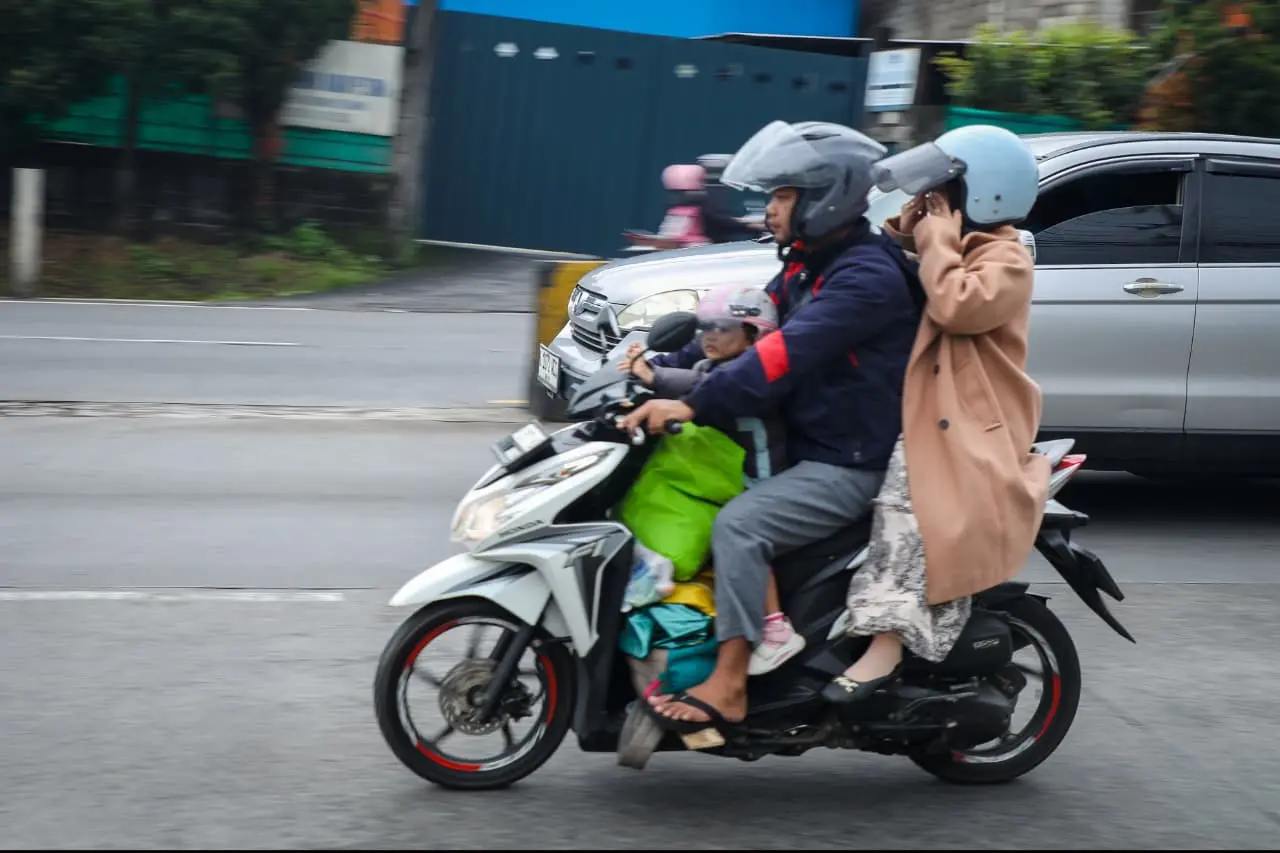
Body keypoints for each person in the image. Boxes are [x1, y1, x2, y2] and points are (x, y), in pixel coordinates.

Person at [618, 120, 924, 732]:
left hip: (847, 459)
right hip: (804, 443)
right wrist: (656, 370)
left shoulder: (864, 279)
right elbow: (742, 336)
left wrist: (694, 404)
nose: (772, 209)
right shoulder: (805, 268)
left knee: (738, 525)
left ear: (824, 198)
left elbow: (779, 357)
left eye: (783, 197)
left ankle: (729, 683)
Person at [820, 124, 1053, 705]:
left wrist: (939, 235)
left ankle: (887, 645)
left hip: (969, 426)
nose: (933, 206)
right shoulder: (944, 241)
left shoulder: (1007, 260)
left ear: (982, 194)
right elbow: (894, 243)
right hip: (922, 410)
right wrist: (919, 215)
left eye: (946, 191)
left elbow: (955, 304)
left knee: (908, 506)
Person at [620, 281, 803, 675]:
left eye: (722, 328)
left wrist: (657, 385)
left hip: (758, 475)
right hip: (725, 470)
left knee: (741, 533)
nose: (710, 337)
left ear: (754, 334)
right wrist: (646, 373)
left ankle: (776, 629)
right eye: (706, 328)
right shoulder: (712, 365)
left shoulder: (750, 374)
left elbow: (704, 390)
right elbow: (690, 379)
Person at [697, 154, 766, 244]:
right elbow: (717, 220)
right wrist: (750, 225)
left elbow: (720, 217)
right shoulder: (710, 193)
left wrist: (748, 222)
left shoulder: (712, 190)